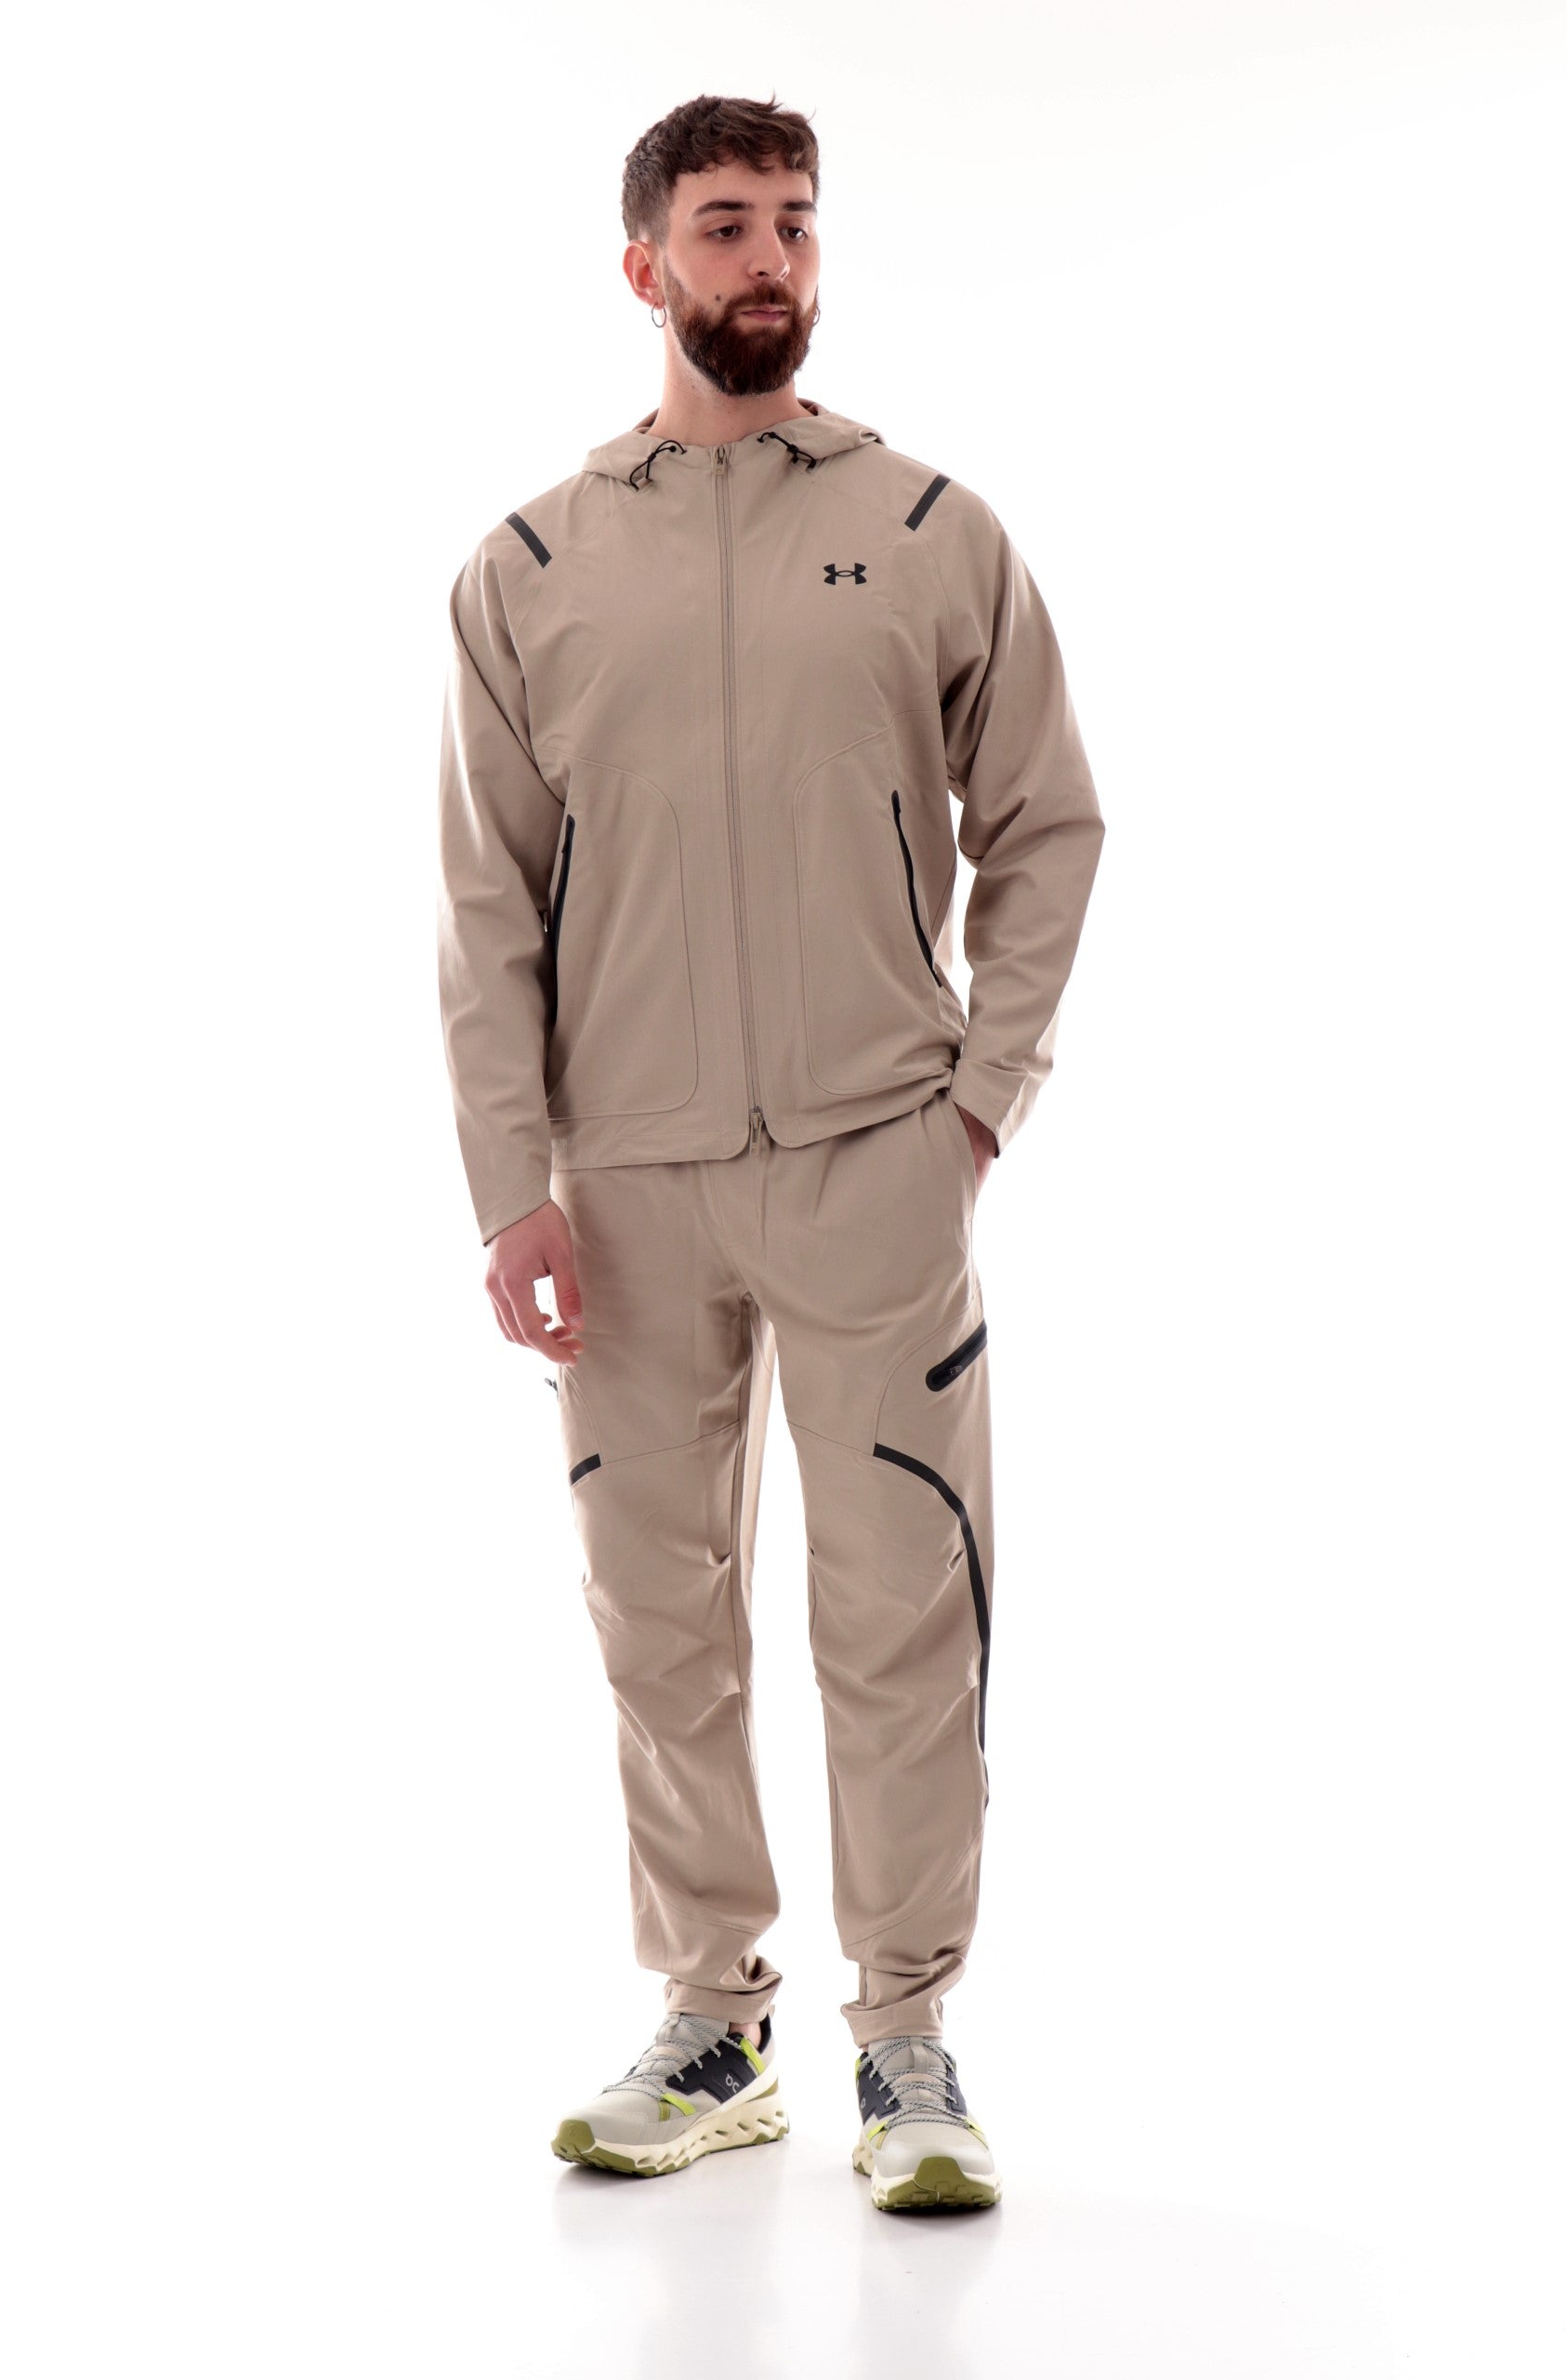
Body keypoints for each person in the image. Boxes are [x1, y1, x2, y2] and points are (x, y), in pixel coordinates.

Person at [436, 93, 1104, 2214]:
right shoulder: (531, 569)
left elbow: (1048, 822)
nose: (769, 261)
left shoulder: (929, 530)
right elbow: (481, 906)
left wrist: (981, 1097)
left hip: (874, 1157)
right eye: (725, 226)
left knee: (902, 1613)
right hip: (624, 1185)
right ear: (645, 267)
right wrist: (510, 1182)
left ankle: (906, 2035)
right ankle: (713, 2019)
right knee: (660, 1617)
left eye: (795, 224)